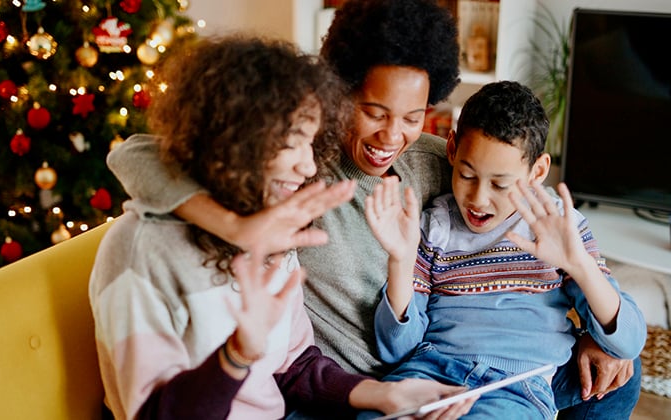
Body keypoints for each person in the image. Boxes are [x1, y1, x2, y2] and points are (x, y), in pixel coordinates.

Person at [106, 0, 642, 417]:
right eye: (373, 111)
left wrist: (600, 323)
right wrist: (239, 227)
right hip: (352, 384)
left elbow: (502, 178)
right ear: (337, 93)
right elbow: (136, 153)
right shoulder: (295, 174)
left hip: (438, 373)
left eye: (414, 116)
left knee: (621, 371)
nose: (393, 136)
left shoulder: (438, 162)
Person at [89, 35, 475, 420]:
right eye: (292, 143)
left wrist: (386, 395)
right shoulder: (141, 251)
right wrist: (236, 356)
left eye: (310, 144)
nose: (308, 167)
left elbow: (295, 365)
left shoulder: (272, 222)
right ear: (233, 139)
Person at [360, 81, 647, 419]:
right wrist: (401, 263)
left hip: (515, 388)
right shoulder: (433, 227)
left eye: (500, 184)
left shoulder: (559, 226)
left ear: (537, 171)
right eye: (467, 175)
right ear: (451, 149)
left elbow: (627, 342)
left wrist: (580, 266)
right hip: (430, 373)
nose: (479, 199)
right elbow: (395, 350)